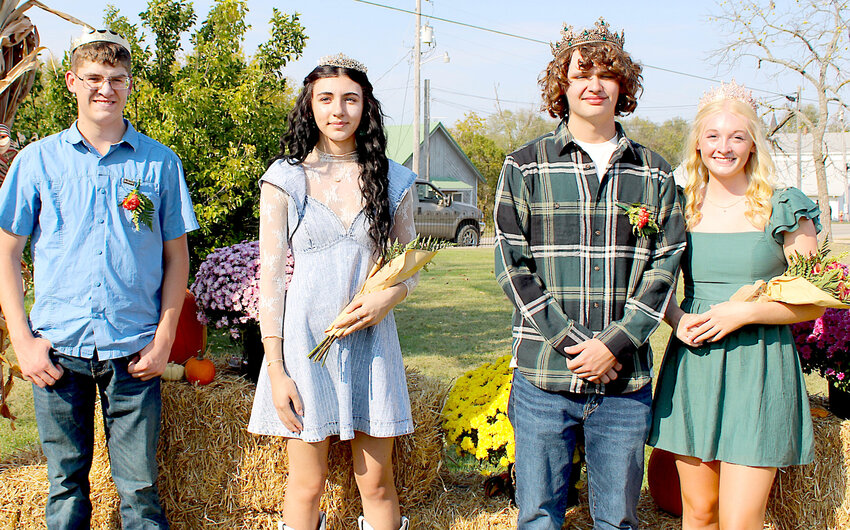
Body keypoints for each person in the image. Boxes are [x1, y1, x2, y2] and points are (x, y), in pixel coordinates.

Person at [0, 28, 198, 528]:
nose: (104, 88)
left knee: (141, 492)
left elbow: (178, 259)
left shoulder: (161, 163)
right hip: (57, 351)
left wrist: (164, 340)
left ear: (131, 86)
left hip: (133, 353)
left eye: (116, 79)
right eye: (92, 78)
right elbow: (6, 254)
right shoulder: (36, 162)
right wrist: (22, 341)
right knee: (65, 489)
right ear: (71, 82)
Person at [494, 17, 686, 530]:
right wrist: (574, 345)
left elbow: (665, 267)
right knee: (537, 517)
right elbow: (513, 265)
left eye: (607, 74)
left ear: (624, 86)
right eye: (581, 74)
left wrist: (615, 344)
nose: (593, 84)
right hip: (543, 377)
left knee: (618, 522)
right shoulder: (525, 166)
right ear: (563, 85)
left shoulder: (655, 172)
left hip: (625, 382)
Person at [247, 53, 416, 530]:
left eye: (350, 99)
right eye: (326, 98)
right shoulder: (285, 178)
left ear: (366, 107)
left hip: (372, 348)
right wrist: (276, 370)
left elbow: (411, 266)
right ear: (310, 105)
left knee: (378, 485)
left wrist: (390, 296)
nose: (338, 110)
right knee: (306, 484)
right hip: (306, 350)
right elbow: (272, 279)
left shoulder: (395, 179)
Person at [648, 82, 821, 529]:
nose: (723, 147)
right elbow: (654, 280)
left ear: (752, 145)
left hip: (759, 364)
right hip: (695, 364)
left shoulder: (784, 206)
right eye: (713, 136)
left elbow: (813, 302)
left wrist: (742, 312)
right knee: (699, 513)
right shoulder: (679, 206)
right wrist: (676, 318)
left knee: (741, 520)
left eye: (737, 137)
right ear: (698, 143)